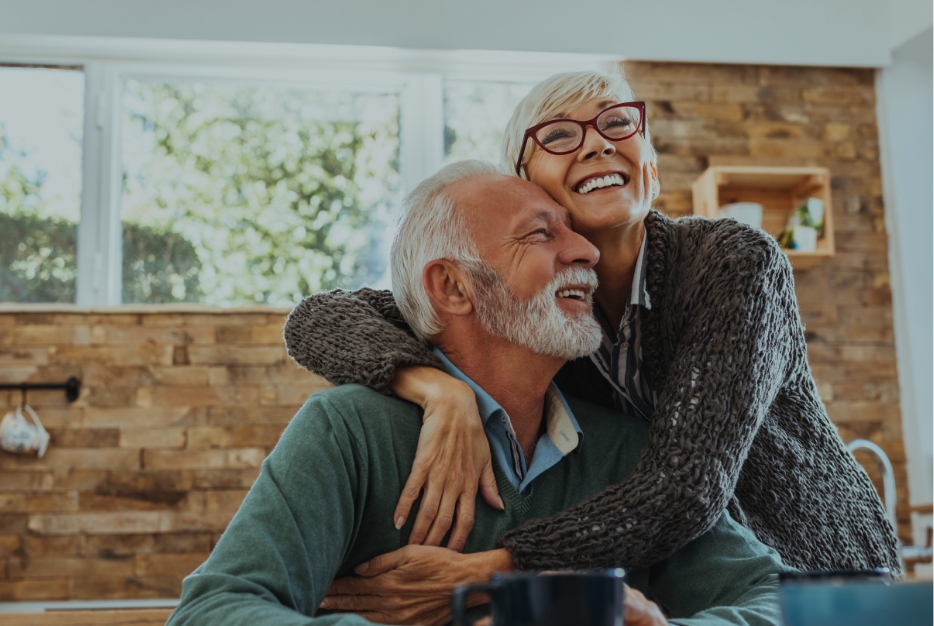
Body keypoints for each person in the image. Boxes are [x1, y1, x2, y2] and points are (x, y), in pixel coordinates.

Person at [283, 69, 899, 581]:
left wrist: (492, 569)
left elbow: (685, 487)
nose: (598, 144)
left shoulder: (735, 263)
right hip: (690, 582)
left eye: (616, 123)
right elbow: (320, 318)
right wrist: (434, 387)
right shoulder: (536, 312)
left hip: (821, 572)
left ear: (650, 168)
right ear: (526, 189)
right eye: (557, 134)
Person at [168, 162, 790, 626]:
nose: (587, 251)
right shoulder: (348, 430)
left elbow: (780, 602)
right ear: (454, 288)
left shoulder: (628, 450)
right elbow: (212, 611)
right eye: (542, 235)